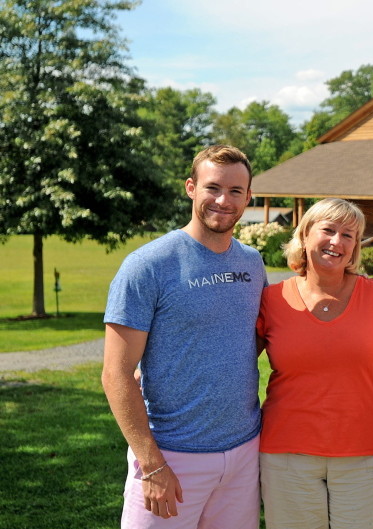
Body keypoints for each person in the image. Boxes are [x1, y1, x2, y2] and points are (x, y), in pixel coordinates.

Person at [101, 145, 267, 528]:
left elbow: (247, 336)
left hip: (243, 451)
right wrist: (152, 464)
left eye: (236, 191)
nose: (224, 201)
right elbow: (116, 374)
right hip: (171, 456)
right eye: (213, 188)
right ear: (191, 188)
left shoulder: (251, 262)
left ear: (248, 197)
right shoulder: (147, 266)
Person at [256, 197, 373, 529]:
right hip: (287, 453)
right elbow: (232, 359)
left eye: (349, 235)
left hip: (364, 452)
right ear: (304, 236)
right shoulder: (272, 299)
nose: (337, 242)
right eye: (328, 230)